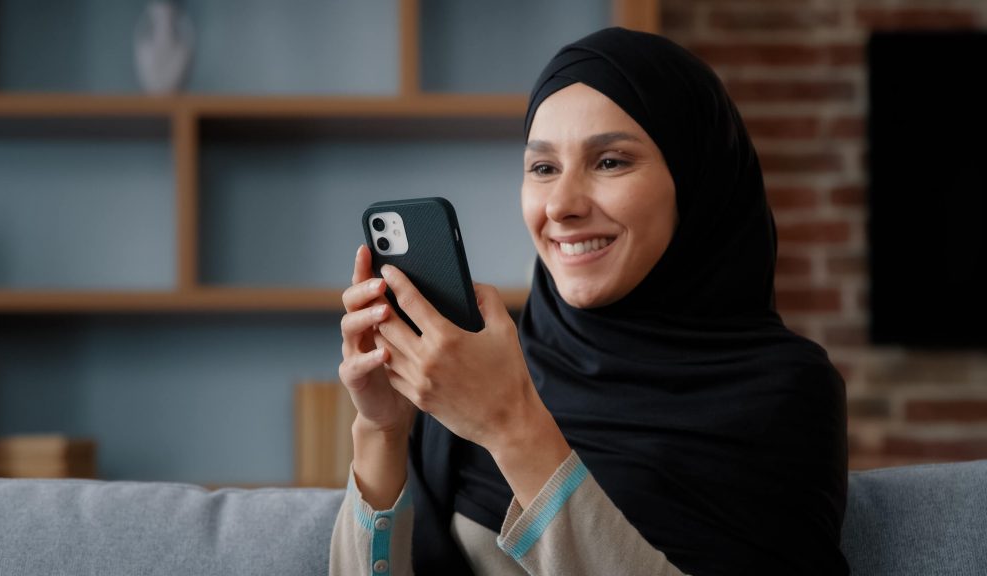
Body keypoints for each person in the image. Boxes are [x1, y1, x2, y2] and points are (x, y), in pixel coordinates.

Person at [331, 27, 849, 576]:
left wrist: (512, 426)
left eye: (610, 162)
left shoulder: (785, 393)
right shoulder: (477, 366)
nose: (562, 205)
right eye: (543, 168)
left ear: (696, 180)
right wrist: (384, 431)